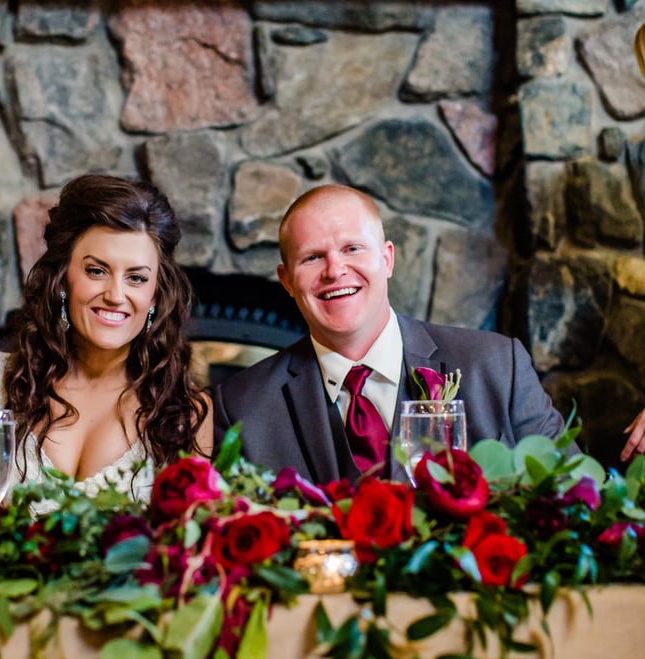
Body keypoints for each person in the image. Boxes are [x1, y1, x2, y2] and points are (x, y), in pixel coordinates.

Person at [213, 184, 568, 486]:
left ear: (387, 260)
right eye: (312, 258)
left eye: (352, 248)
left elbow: (575, 498)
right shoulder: (241, 407)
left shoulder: (497, 366)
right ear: (287, 280)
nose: (335, 270)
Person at [0, 174, 212, 501]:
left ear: (155, 295)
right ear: (62, 278)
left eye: (136, 278)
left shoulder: (187, 415)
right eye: (97, 271)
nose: (115, 295)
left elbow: (189, 531)